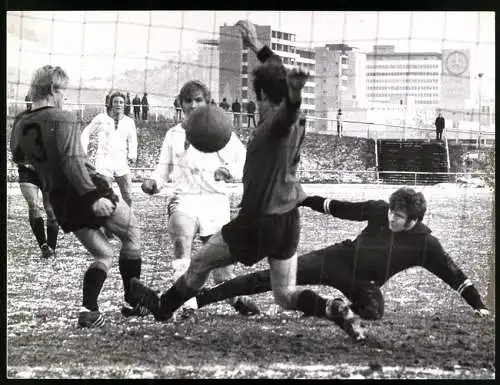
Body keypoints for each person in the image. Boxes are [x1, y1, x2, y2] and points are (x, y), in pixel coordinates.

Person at [130, 20, 365, 341]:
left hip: (259, 221)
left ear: (265, 98)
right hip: (288, 223)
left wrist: (295, 93)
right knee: (285, 296)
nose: (255, 103)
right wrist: (256, 46)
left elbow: (288, 110)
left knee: (198, 264)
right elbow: (279, 78)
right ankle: (331, 309)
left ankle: (162, 307)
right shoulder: (287, 123)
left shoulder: (277, 125)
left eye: (258, 97)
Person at [194, 188, 491, 330]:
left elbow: (454, 274)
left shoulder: (426, 244)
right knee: (270, 278)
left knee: (374, 311)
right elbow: (340, 208)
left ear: (413, 219)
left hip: (364, 283)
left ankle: (331, 308)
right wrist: (304, 200)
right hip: (338, 258)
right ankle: (202, 299)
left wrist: (479, 306)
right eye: (391, 211)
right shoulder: (379, 210)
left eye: (398, 216)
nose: (391, 218)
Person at [10, 65, 146, 328]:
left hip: (60, 199)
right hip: (87, 188)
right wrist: (94, 196)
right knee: (132, 233)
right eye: (64, 91)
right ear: (52, 89)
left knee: (104, 255)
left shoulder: (20, 121)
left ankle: (89, 310)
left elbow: (18, 156)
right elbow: (73, 161)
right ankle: (132, 301)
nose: (66, 97)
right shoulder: (63, 117)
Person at [140, 80, 258, 318]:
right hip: (185, 198)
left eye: (198, 100)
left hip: (215, 202)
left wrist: (229, 172)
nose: (193, 105)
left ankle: (236, 299)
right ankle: (188, 306)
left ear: (207, 102)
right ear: (180, 104)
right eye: (188, 101)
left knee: (221, 270)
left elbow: (245, 164)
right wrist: (153, 183)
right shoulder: (173, 134)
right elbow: (162, 170)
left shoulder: (223, 132)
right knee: (181, 242)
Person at [80, 91, 137, 208]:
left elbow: (133, 140)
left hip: (121, 161)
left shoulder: (129, 122)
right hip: (104, 161)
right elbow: (86, 132)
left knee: (128, 196)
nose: (118, 104)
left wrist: (132, 155)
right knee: (106, 196)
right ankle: (107, 222)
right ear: (111, 104)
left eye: (121, 102)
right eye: (115, 102)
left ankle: (128, 219)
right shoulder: (101, 118)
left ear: (124, 104)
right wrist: (84, 152)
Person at [11, 156, 59, 258]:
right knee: (33, 205)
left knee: (50, 209)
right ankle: (43, 245)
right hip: (27, 171)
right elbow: (15, 151)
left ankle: (51, 247)